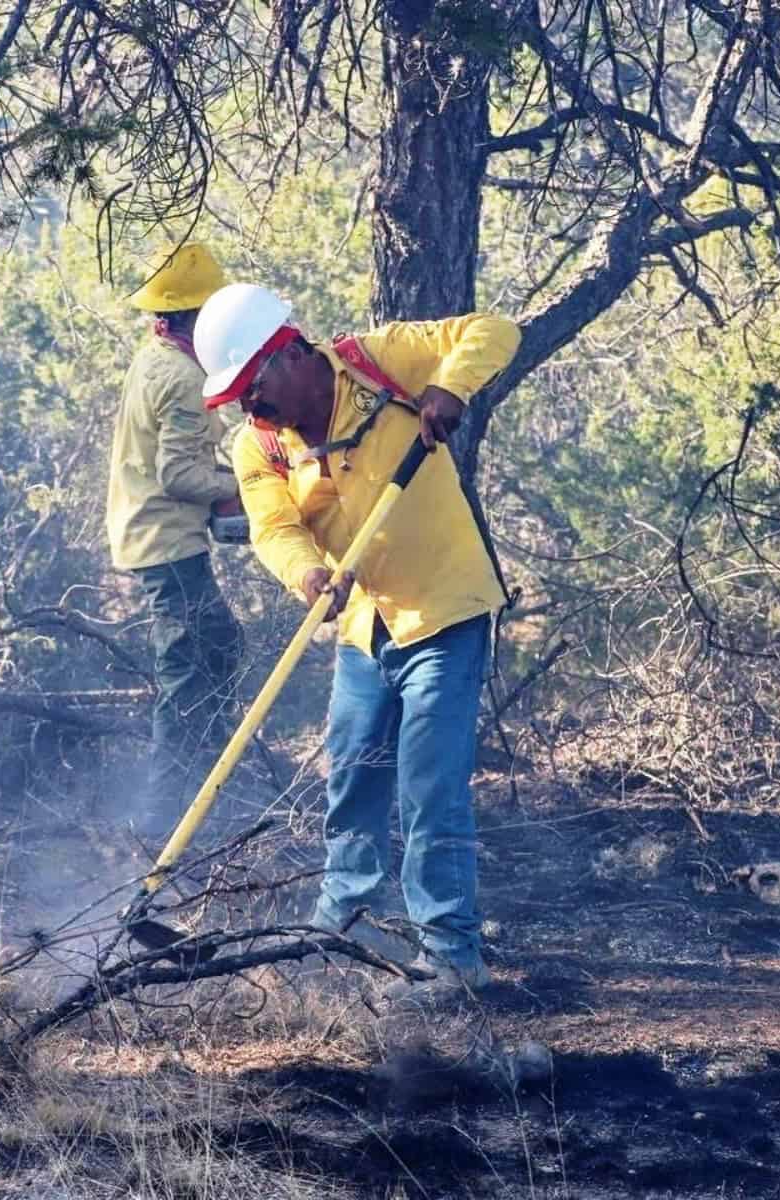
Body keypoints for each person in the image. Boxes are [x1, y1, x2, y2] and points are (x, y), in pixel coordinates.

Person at [192, 281, 519, 1001]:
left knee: (430, 787)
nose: (250, 410)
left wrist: (449, 389)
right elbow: (273, 527)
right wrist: (307, 574)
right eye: (239, 400)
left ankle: (451, 959)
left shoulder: (378, 361)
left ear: (288, 354)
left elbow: (494, 330)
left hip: (445, 611)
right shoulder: (259, 446)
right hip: (364, 626)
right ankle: (341, 935)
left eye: (254, 392)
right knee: (353, 781)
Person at [105, 244, 245, 834]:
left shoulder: (155, 357)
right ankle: (166, 817)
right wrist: (247, 484)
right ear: (200, 314)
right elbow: (179, 474)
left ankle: (209, 786)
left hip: (153, 533)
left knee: (222, 646)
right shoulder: (183, 377)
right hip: (166, 543)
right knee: (187, 674)